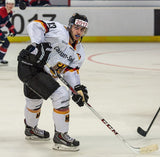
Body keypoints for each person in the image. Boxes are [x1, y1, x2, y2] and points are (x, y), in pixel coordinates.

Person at [17, 13, 89, 151]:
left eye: (82, 30)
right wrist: (37, 45)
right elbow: (34, 25)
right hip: (29, 65)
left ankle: (31, 130)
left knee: (34, 101)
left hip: (41, 72)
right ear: (70, 26)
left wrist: (77, 88)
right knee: (61, 95)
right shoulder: (58, 29)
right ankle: (61, 136)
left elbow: (70, 71)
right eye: (76, 28)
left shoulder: (79, 52)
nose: (79, 32)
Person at [0, 0, 17, 64]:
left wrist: (12, 28)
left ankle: (0, 58)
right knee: (3, 40)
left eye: (12, 4)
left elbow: (6, 22)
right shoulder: (1, 12)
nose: (10, 6)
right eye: (9, 4)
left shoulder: (10, 12)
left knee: (6, 42)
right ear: (6, 4)